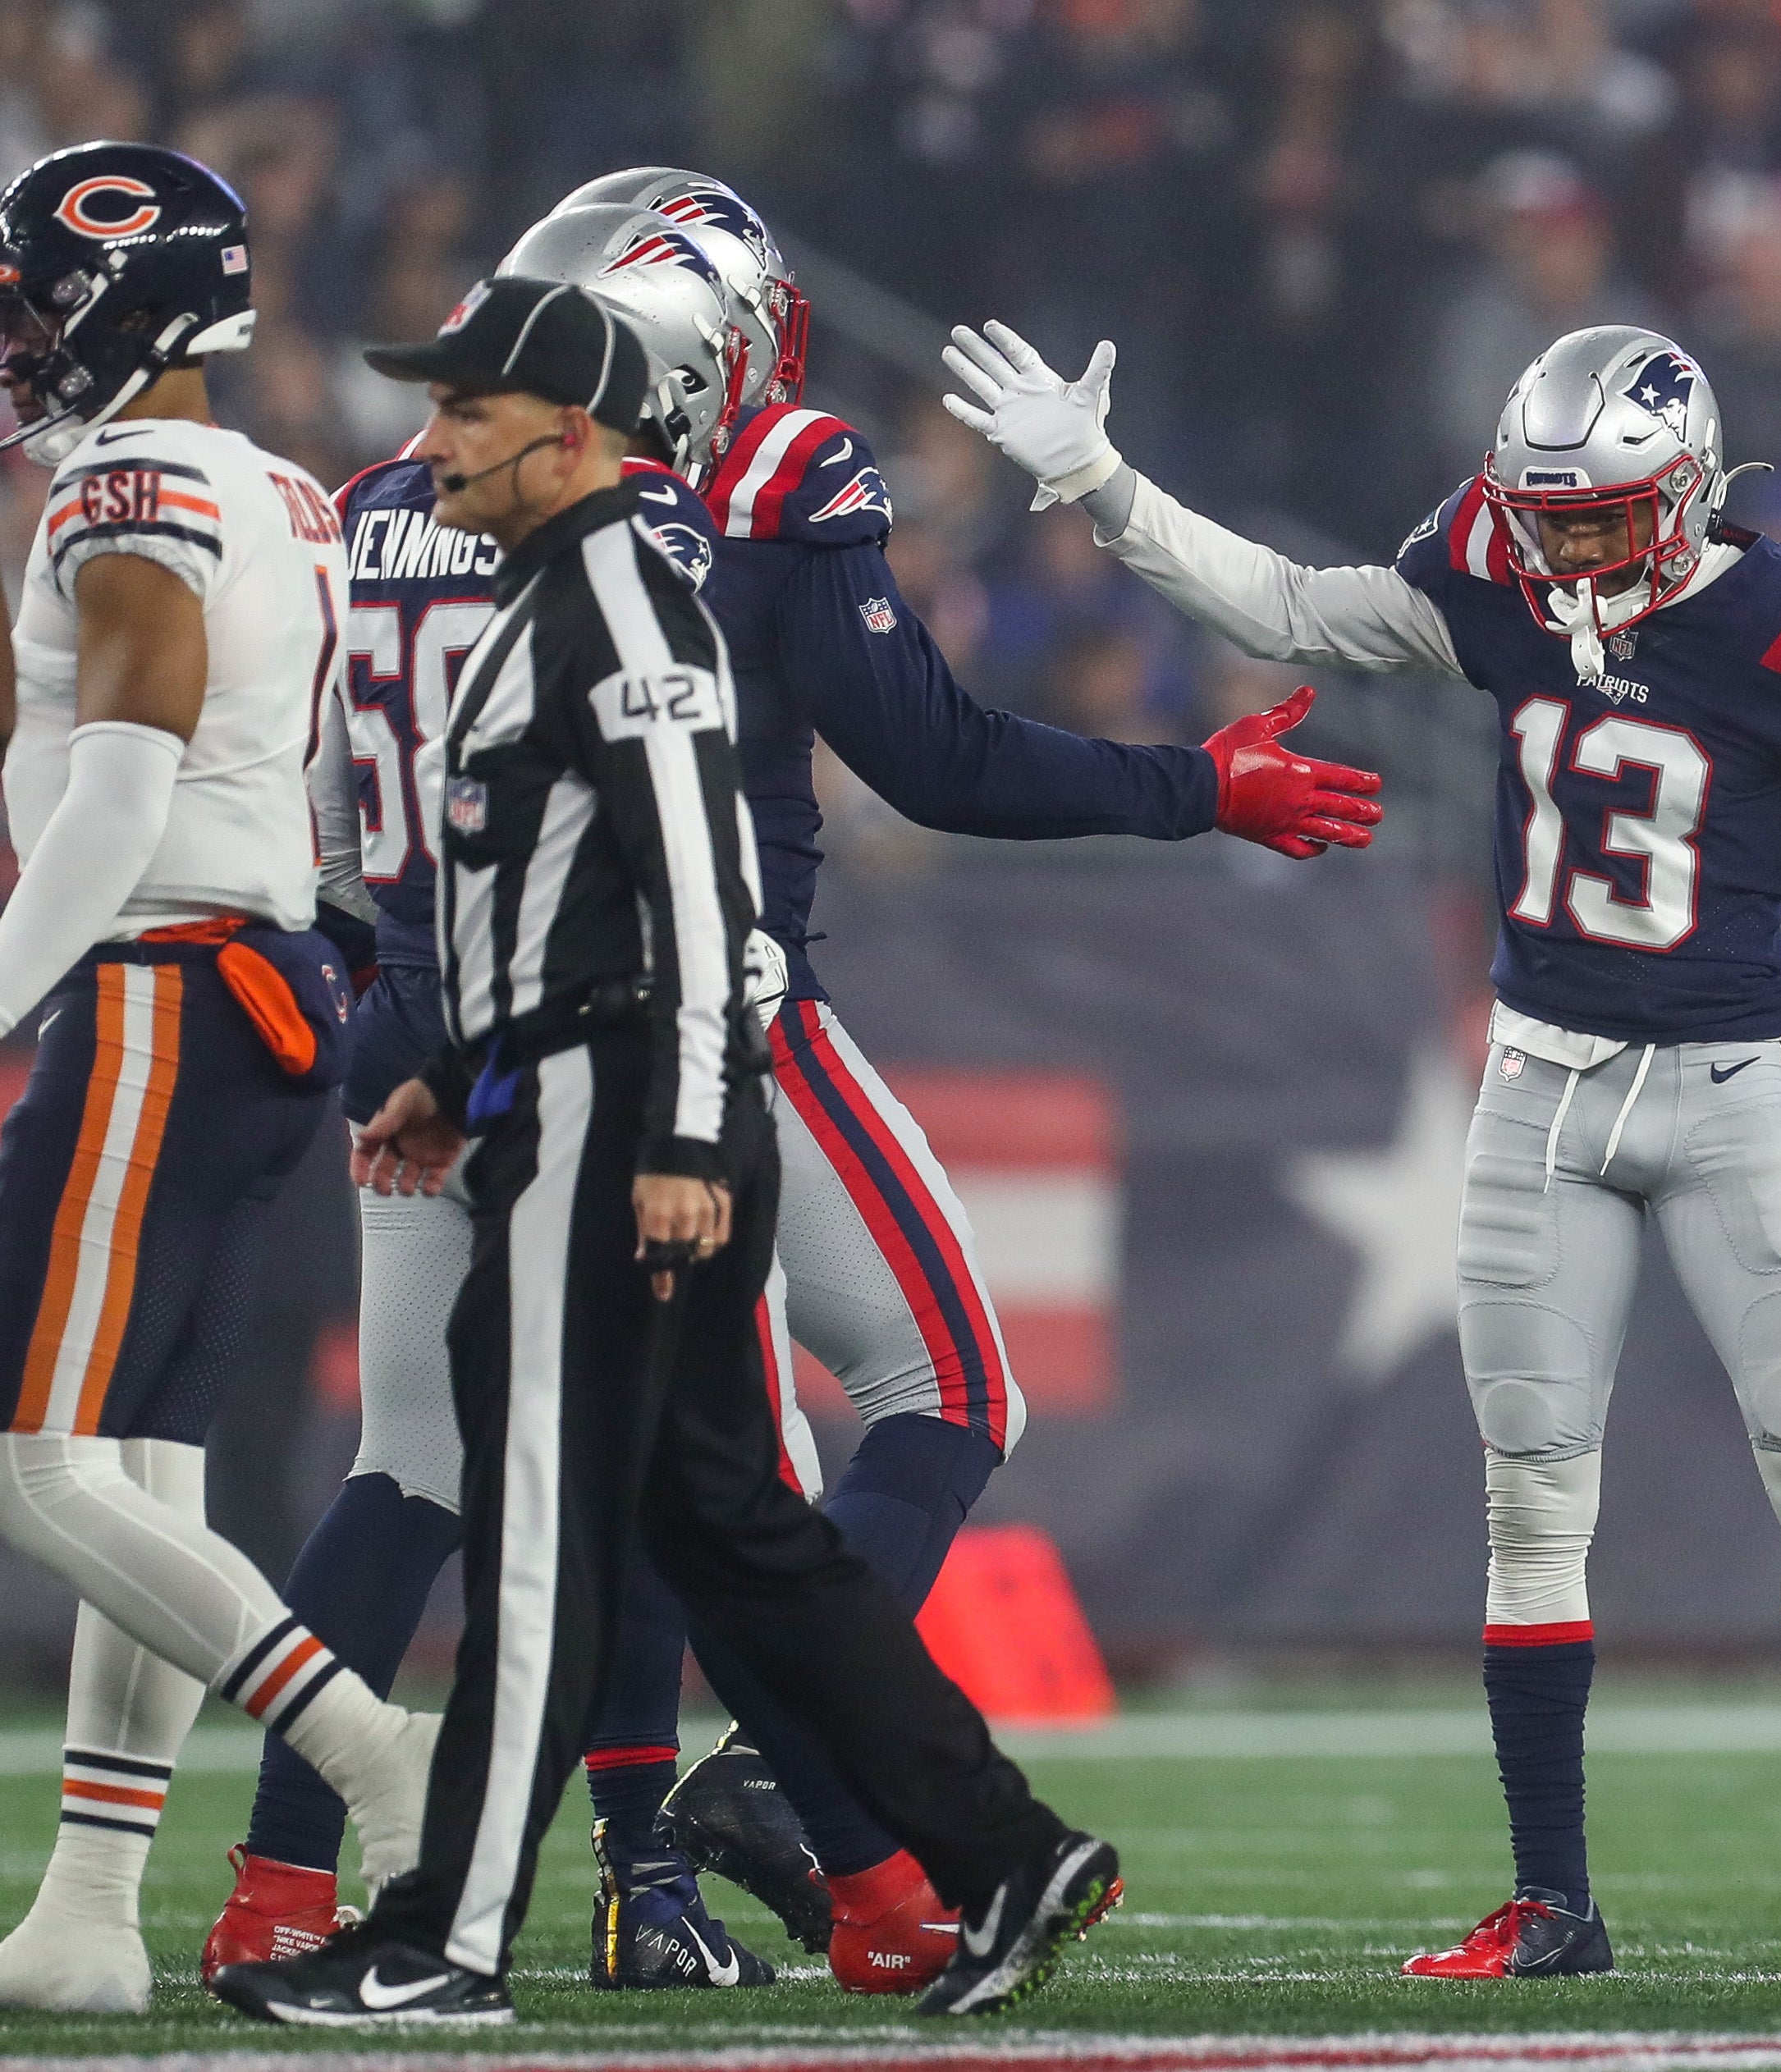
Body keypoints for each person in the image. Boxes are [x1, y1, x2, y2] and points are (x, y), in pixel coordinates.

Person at [205, 176, 1380, 2000]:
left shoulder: (377, 515)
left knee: (476, 1475)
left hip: (443, 1041)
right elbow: (888, 768)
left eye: (465, 395)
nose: (430, 429)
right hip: (667, 1034)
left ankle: (333, 1889)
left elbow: (345, 840)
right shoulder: (699, 514)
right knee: (835, 1421)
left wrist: (401, 1026)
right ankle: (783, 1834)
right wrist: (1190, 788)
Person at [945, 318, 1781, 1978]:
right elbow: (1290, 609)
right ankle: (1551, 1901)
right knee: (1532, 1506)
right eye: (1543, 511)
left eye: (1601, 515)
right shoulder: (1494, 567)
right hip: (1539, 1092)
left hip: (1733, 1091)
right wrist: (1102, 486)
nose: (1564, 545)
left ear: (1683, 494)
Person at [208, 210, 793, 1995]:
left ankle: (278, 1881)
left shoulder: (375, 509)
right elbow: (680, 798)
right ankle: (644, 1880)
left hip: (404, 1008)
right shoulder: (610, 527)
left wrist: (370, 980)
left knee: (412, 1470)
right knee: (654, 1472)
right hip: (566, 1033)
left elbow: (324, 798)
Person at [0, 141, 443, 2016]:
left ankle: (376, 1758)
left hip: (161, 989)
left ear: (118, 294)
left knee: (34, 1468)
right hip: (256, 993)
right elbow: (327, 781)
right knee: (147, 1472)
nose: (19, 334)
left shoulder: (129, 483)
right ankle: (93, 1911)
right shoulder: (272, 480)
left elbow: (118, 794)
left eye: (33, 296)